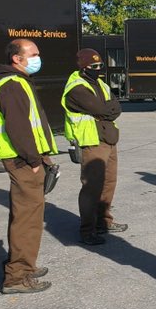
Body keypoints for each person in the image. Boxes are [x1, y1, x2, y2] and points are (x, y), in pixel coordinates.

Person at [0, 39, 56, 294]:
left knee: (29, 216)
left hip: (26, 159)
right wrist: (34, 160)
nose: (38, 58)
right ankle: (17, 277)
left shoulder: (19, 82)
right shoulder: (12, 86)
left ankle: (25, 265)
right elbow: (18, 128)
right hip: (22, 161)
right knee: (26, 218)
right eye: (34, 54)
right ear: (17, 58)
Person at [62, 48, 125, 245]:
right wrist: (106, 109)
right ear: (83, 67)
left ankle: (103, 222)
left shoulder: (100, 84)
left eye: (100, 66)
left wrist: (107, 109)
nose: (99, 69)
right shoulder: (76, 88)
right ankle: (87, 230)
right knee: (92, 187)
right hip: (92, 141)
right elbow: (100, 108)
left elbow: (116, 107)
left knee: (109, 183)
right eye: (94, 66)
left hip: (108, 138)